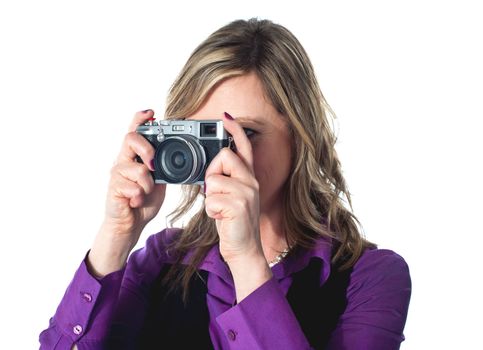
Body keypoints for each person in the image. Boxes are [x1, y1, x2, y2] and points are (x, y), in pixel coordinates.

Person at [39, 18, 411, 349]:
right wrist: (115, 235)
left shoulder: (370, 277)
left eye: (243, 132)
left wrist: (247, 259)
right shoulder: (160, 259)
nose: (221, 157)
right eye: (205, 134)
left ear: (300, 138)